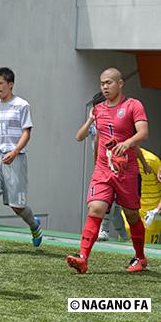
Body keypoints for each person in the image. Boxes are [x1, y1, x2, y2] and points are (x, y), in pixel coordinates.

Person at [66, 67, 149, 274]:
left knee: (131, 215)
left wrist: (128, 143)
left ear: (120, 84)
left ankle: (140, 257)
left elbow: (143, 133)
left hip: (126, 171)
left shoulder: (133, 105)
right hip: (103, 170)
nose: (105, 86)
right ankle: (83, 258)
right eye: (102, 83)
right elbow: (84, 137)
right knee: (95, 209)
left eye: (109, 83)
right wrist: (90, 120)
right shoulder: (98, 110)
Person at [0, 67, 43, 255]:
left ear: (10, 85)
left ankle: (34, 225)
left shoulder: (22, 105)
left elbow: (26, 132)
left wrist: (15, 151)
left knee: (17, 206)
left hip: (15, 158)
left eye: (0, 83)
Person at [76, 93, 128, 241]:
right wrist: (90, 119)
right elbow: (79, 137)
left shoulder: (116, 122)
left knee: (112, 202)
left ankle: (104, 230)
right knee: (107, 201)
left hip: (116, 166)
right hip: (101, 166)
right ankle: (123, 235)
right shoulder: (94, 124)